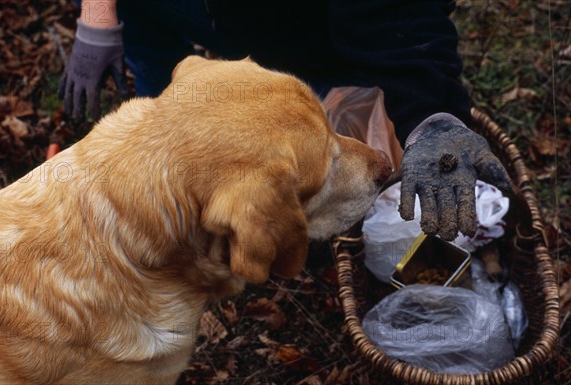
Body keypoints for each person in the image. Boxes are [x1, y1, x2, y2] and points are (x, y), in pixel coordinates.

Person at [58, 0, 512, 241]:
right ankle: (166, 145)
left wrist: (430, 114)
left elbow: (401, 15)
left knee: (322, 145)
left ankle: (317, 87)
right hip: (219, 10)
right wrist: (97, 18)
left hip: (318, 31)